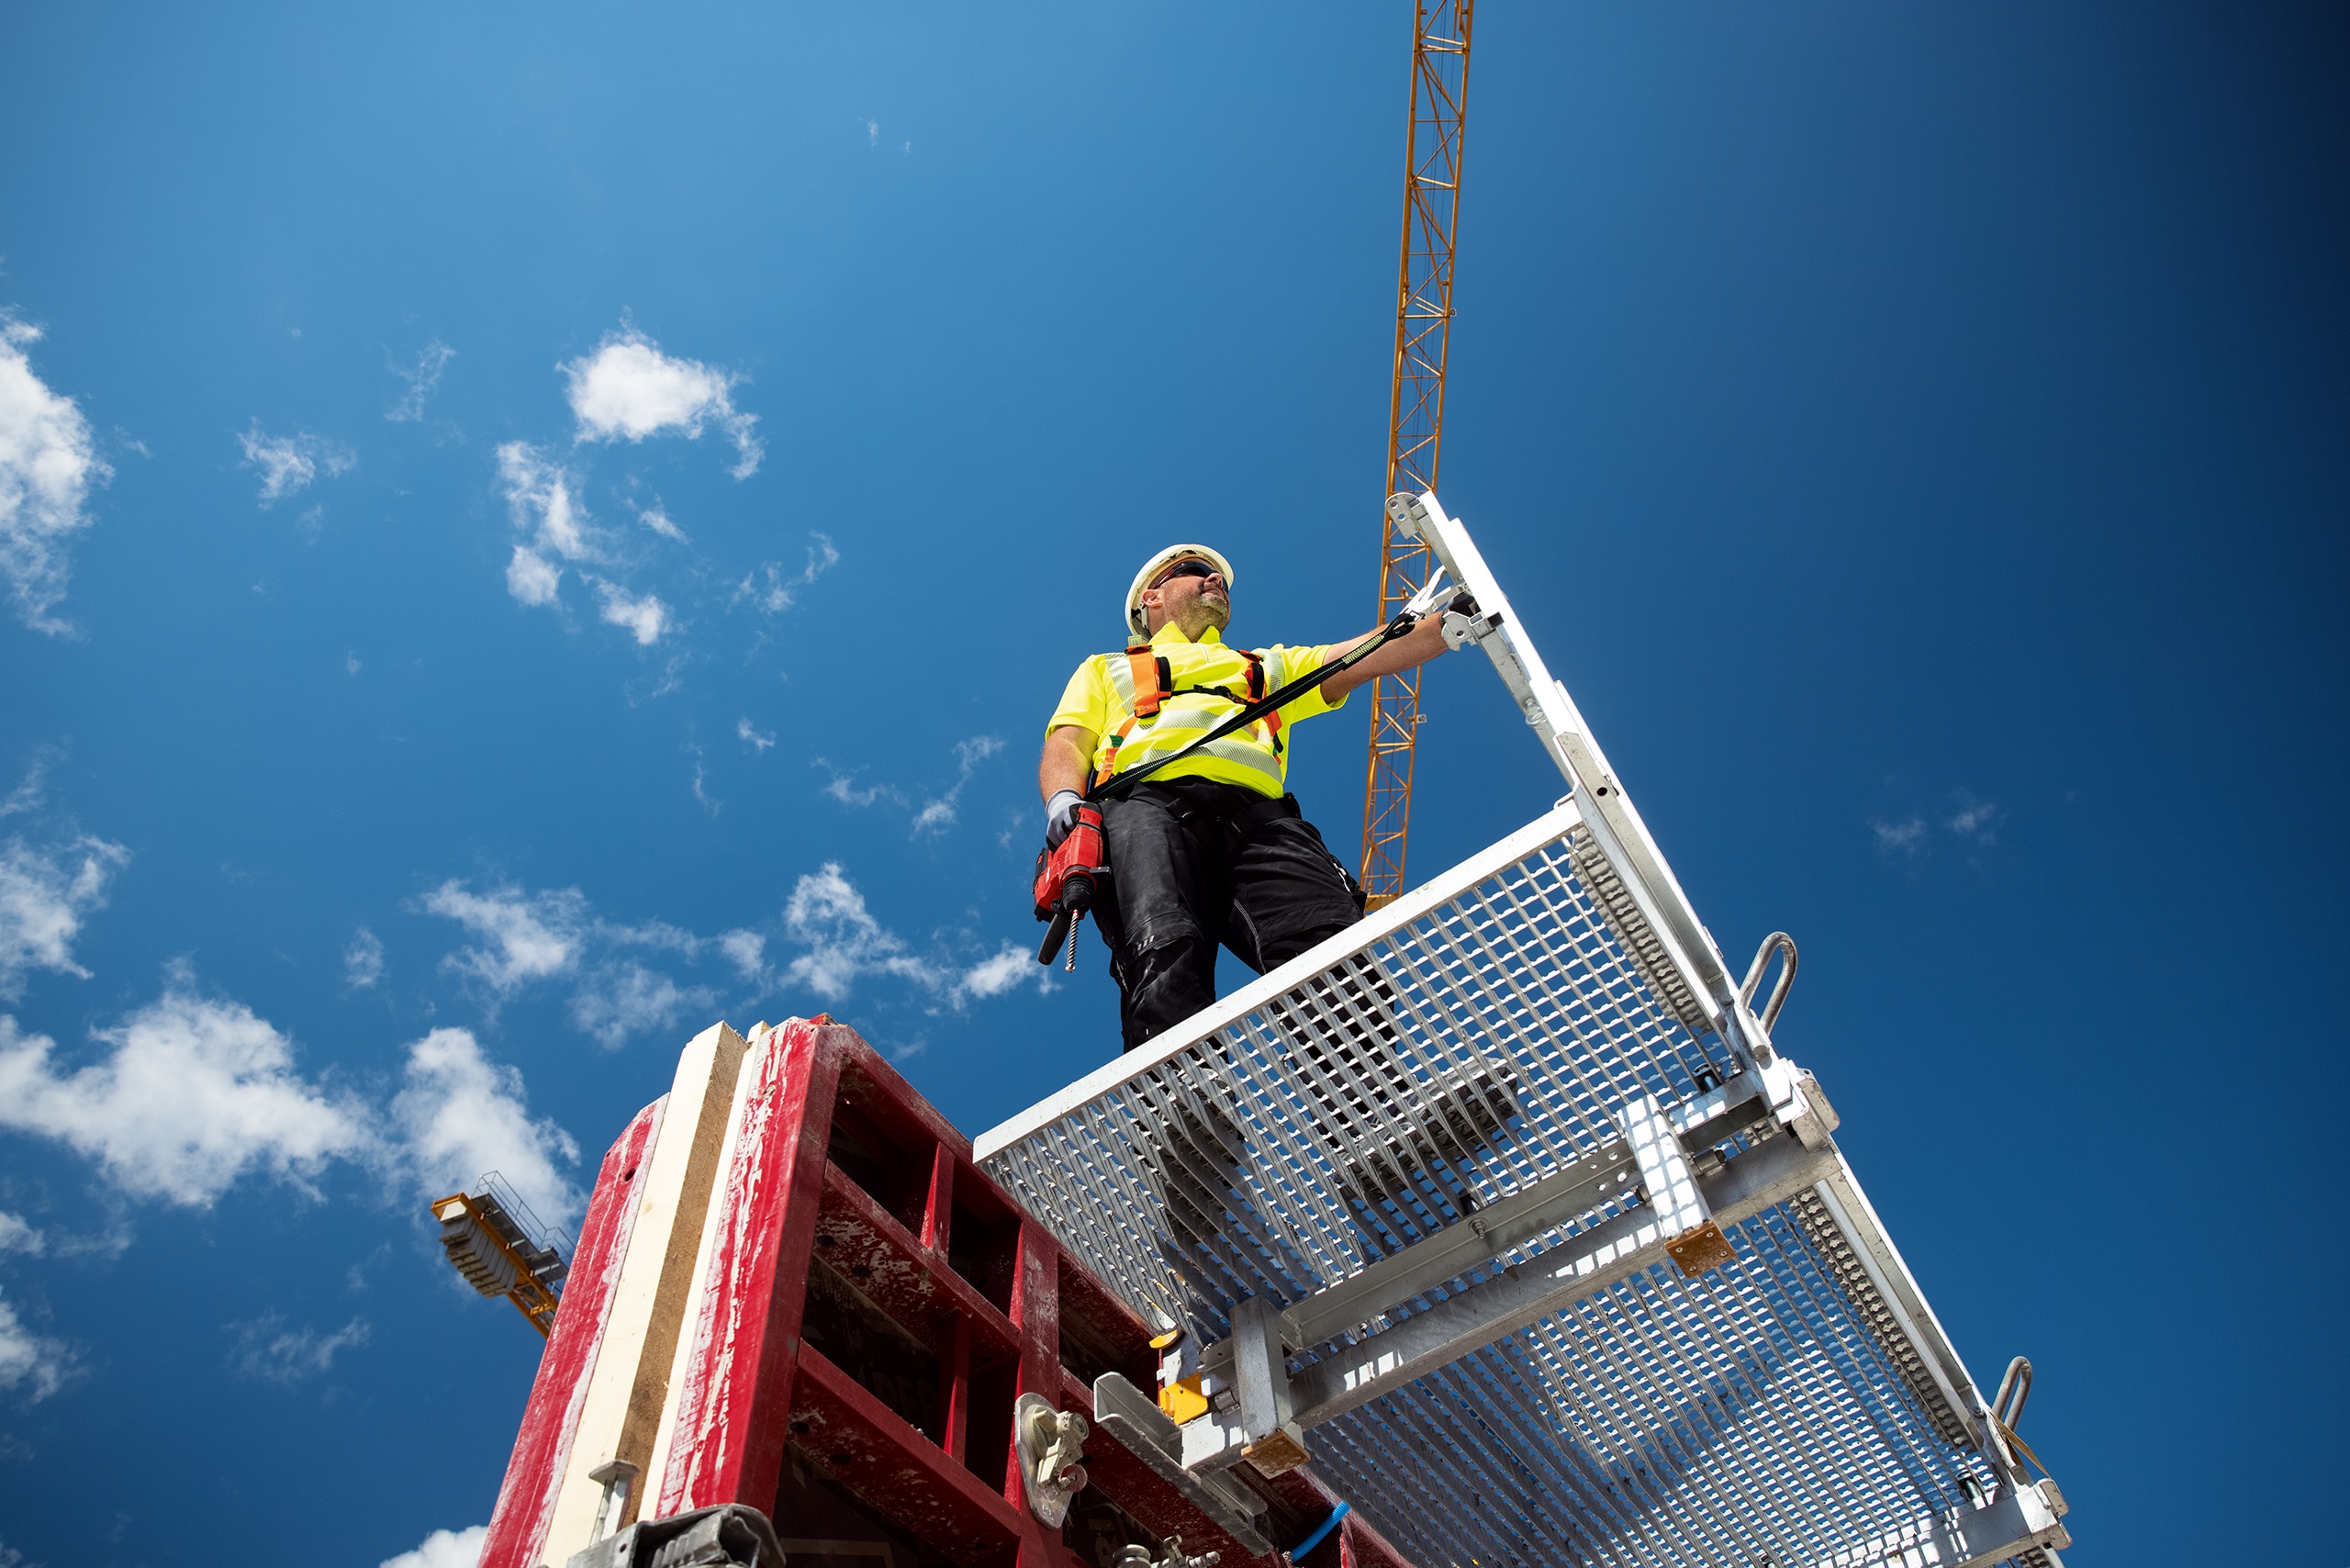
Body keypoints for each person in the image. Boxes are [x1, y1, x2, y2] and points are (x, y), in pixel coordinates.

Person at [1038, 543, 1453, 1051]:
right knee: (1162, 942)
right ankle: (1185, 1108)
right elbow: (1068, 740)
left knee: (1325, 942)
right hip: (1140, 808)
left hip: (1259, 819)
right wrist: (1063, 799)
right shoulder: (1107, 668)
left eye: (1221, 578)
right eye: (1196, 572)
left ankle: (1386, 1108)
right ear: (1152, 596)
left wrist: (1446, 625)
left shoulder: (1266, 667)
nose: (1215, 579)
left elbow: (1361, 654)